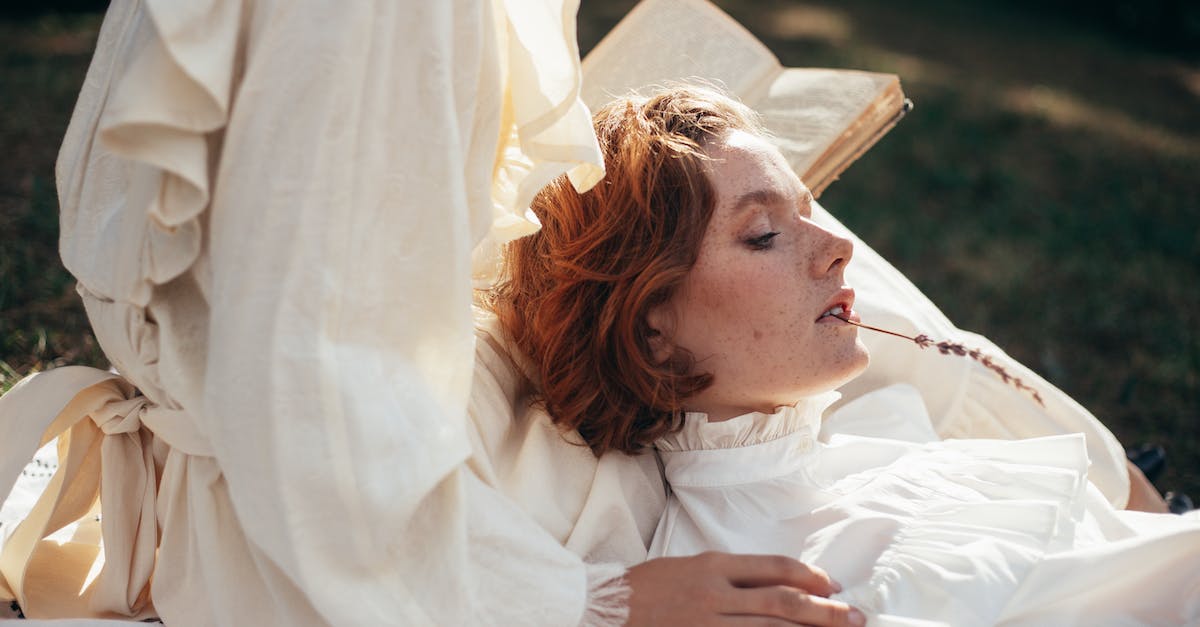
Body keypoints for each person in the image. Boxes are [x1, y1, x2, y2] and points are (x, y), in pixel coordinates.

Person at [485, 85, 1200, 625]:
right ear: (653, 332)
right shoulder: (790, 581)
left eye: (809, 211)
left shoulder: (872, 435)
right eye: (763, 233)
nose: (838, 248)